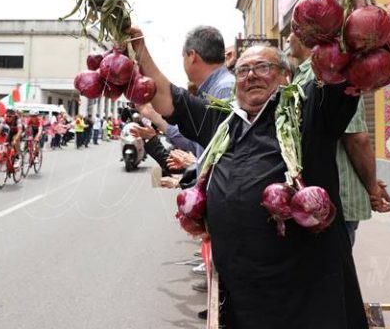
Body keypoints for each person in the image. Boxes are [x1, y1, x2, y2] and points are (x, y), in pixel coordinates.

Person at [129, 27, 367, 328]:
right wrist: (140, 50)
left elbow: (342, 75)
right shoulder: (224, 121)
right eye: (243, 70)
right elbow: (167, 99)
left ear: (285, 76)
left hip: (305, 297)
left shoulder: (309, 113)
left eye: (263, 67)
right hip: (244, 297)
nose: (251, 75)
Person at [287, 31, 390, 247]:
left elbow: (356, 139)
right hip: (321, 198)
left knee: (334, 267)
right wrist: (372, 185)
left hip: (337, 199)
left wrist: (373, 188)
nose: (288, 38)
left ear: (308, 36)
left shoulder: (332, 76)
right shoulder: (306, 75)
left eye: (292, 31)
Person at [165, 26, 235, 157]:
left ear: (192, 56)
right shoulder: (212, 89)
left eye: (183, 56)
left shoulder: (225, 89)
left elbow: (220, 153)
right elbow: (199, 143)